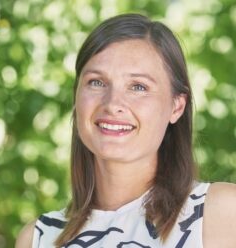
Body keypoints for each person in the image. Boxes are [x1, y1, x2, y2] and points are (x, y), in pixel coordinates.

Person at [16, 13, 236, 248]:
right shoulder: (39, 238)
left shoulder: (219, 212)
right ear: (76, 96)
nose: (112, 104)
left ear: (177, 106)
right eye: (96, 82)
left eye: (138, 87)